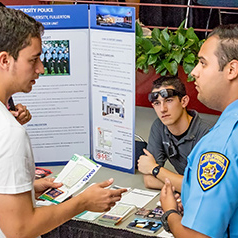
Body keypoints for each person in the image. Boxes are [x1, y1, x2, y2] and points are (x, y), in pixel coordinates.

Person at [0, 6, 127, 238]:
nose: (41, 68)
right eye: (34, 59)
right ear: (5, 60)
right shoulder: (9, 132)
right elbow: (19, 229)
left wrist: (24, 190)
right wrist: (82, 202)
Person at [160, 24, 238, 238]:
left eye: (203, 63)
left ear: (231, 70)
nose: (194, 72)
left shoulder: (221, 145)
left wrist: (170, 214)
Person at [138, 76, 211, 192]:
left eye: (169, 101)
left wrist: (155, 169)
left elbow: (202, 186)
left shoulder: (207, 134)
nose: (162, 109)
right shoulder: (159, 126)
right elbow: (149, 180)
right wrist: (181, 186)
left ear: (184, 101)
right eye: (157, 103)